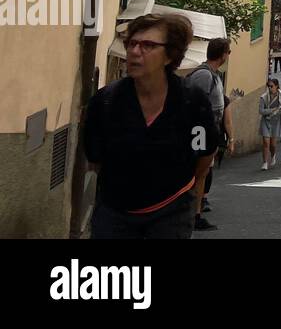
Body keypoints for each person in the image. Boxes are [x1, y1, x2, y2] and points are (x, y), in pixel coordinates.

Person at [83, 12, 220, 238]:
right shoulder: (105, 101)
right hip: (114, 214)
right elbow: (96, 159)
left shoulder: (191, 102)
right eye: (132, 44)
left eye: (148, 45)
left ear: (169, 55)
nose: (135, 52)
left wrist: (181, 190)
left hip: (171, 213)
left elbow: (204, 154)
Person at [185, 37, 231, 231]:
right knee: (197, 173)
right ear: (222, 54)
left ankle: (196, 214)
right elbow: (195, 104)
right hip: (199, 133)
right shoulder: (204, 76)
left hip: (206, 132)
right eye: (228, 52)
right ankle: (191, 215)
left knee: (202, 174)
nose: (228, 56)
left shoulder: (214, 74)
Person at [259, 78, 281, 170]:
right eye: (268, 86)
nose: (270, 88)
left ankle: (273, 155)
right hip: (266, 121)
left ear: (277, 86)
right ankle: (265, 162)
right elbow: (261, 111)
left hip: (276, 121)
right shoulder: (263, 97)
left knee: (273, 144)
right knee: (266, 142)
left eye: (272, 86)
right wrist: (272, 110)